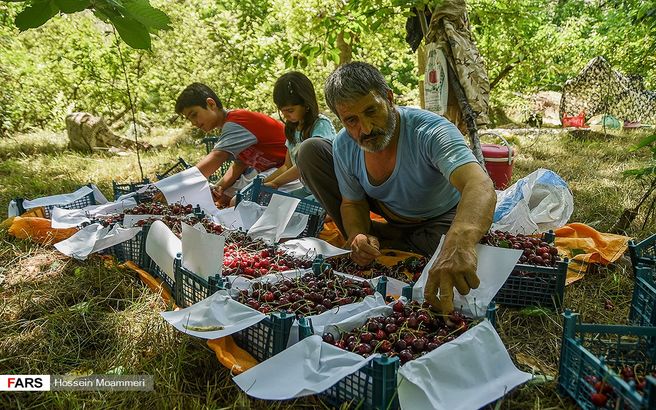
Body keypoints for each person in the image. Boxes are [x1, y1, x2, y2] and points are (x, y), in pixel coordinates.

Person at [296, 62, 496, 313]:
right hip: (387, 209)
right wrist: (358, 233)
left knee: (458, 251)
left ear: (389, 98)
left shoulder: (430, 130)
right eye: (352, 120)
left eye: (371, 111)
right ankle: (371, 240)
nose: (366, 128)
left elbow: (479, 183)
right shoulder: (344, 144)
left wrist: (460, 241)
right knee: (310, 152)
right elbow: (352, 202)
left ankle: (397, 239)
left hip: (439, 217)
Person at [175, 83, 287, 205]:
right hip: (269, 170)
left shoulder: (237, 122)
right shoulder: (230, 125)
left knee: (237, 203)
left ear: (211, 104)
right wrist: (220, 187)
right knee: (222, 199)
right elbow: (240, 164)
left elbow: (217, 156)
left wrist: (176, 187)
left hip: (287, 170)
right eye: (189, 119)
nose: (193, 123)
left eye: (194, 115)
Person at [263, 72, 337, 197]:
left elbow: (305, 165)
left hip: (329, 190)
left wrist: (276, 183)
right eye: (282, 111)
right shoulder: (293, 129)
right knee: (278, 205)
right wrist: (263, 183)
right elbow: (287, 166)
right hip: (309, 190)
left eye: (290, 110)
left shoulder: (320, 125)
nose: (285, 115)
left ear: (306, 104)